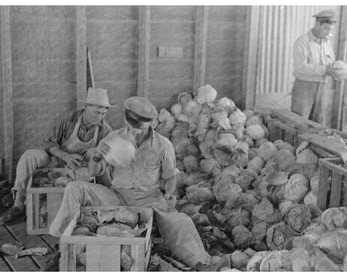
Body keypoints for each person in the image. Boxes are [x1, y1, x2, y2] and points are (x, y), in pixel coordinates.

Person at [48, 96, 230, 271]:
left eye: (141, 127)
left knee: (181, 221)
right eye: (133, 126)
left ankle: (202, 263)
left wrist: (170, 193)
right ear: (127, 120)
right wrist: (97, 156)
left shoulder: (163, 145)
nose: (137, 131)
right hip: (117, 197)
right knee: (74, 187)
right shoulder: (113, 139)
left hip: (149, 200)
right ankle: (62, 246)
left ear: (151, 122)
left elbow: (170, 177)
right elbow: (92, 173)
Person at [0, 88, 114, 224]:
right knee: (30, 155)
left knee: (92, 162)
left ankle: (79, 211)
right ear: (85, 107)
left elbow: (107, 158)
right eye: (96, 112)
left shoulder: (105, 129)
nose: (99, 117)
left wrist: (95, 154)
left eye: (103, 113)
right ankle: (18, 204)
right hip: (56, 160)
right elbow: (47, 143)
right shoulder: (68, 120)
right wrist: (65, 156)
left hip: (79, 168)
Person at [290, 9, 338, 126]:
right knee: (299, 122)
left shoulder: (327, 43)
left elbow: (331, 62)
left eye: (330, 30)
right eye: (326, 28)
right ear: (317, 24)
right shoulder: (302, 42)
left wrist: (336, 69)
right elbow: (301, 67)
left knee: (318, 123)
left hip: (322, 87)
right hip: (304, 87)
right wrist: (325, 70)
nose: (328, 33)